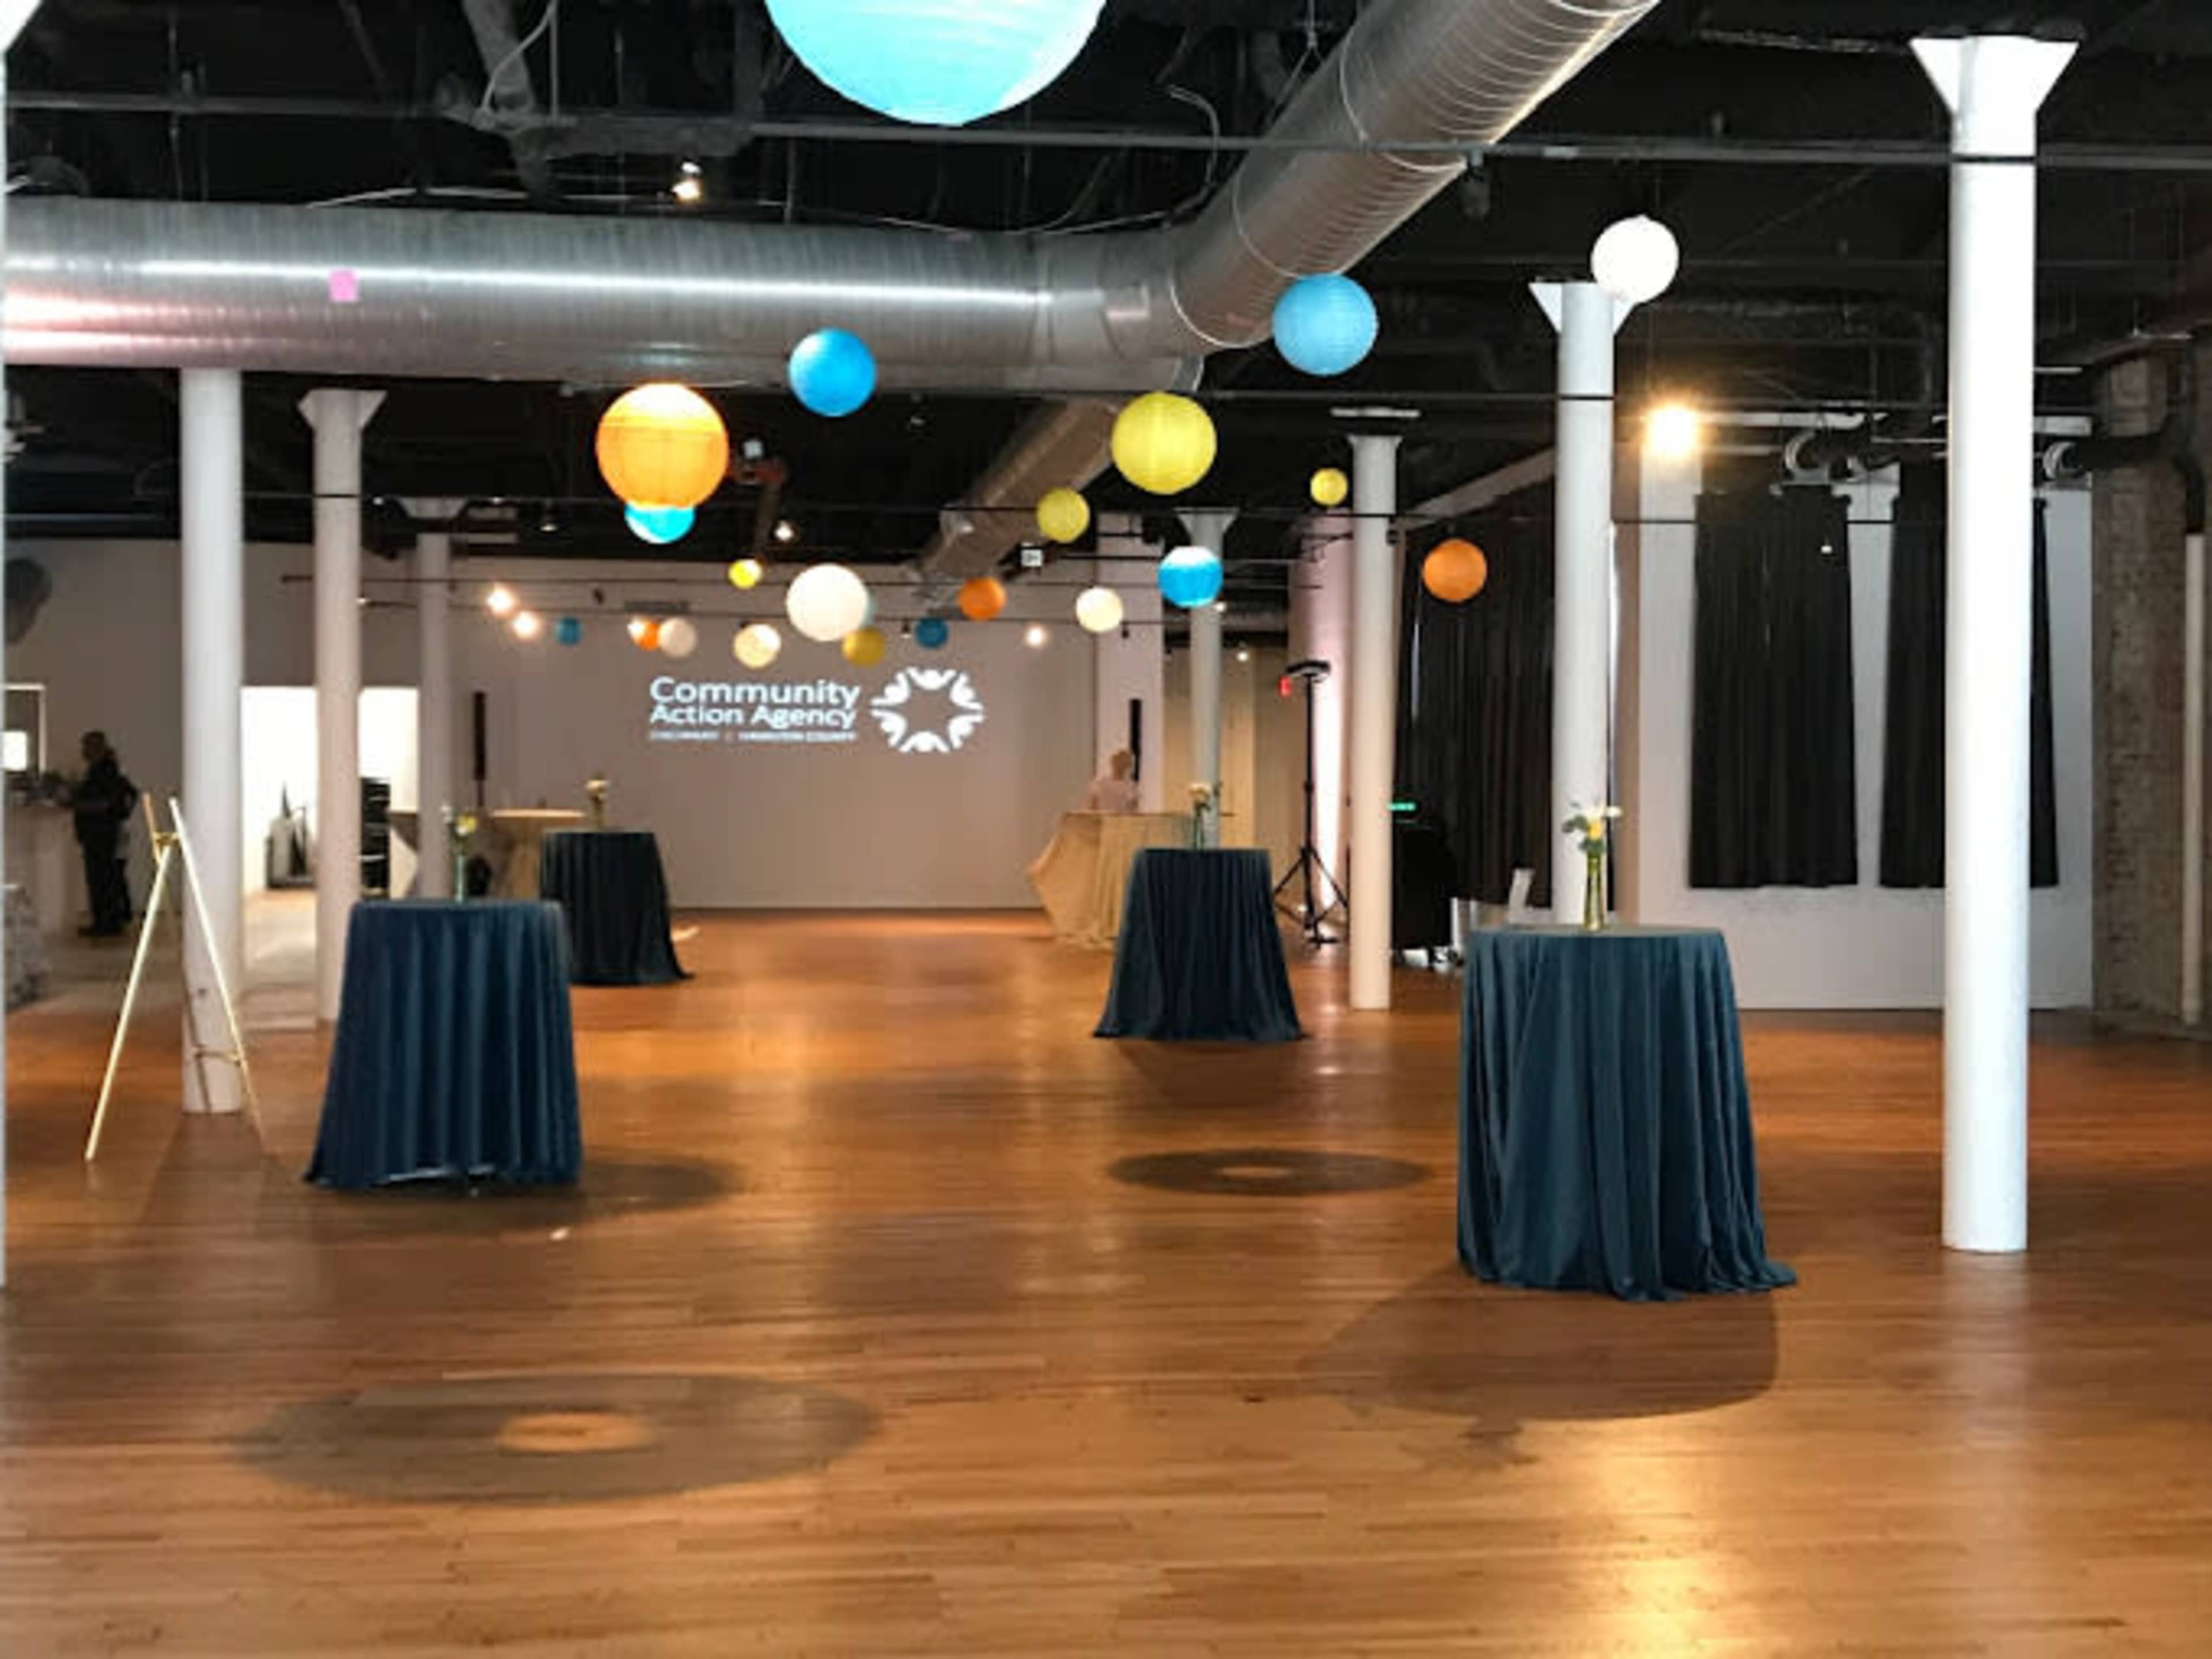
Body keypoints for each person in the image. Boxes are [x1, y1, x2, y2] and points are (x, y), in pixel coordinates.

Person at [71, 731, 138, 938]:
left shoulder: (105, 771)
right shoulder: (106, 769)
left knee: (103, 879)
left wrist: (80, 806)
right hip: (105, 832)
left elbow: (109, 802)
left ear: (96, 748)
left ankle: (107, 923)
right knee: (111, 877)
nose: (83, 751)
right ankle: (112, 919)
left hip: (101, 833)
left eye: (86, 747)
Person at [1085, 748, 1141, 814]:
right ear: (1113, 762)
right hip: (1102, 821)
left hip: (1122, 822)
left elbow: (1133, 810)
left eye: (1125, 763)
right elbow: (1091, 808)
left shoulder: (1131, 787)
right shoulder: (1099, 784)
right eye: (1120, 762)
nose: (1121, 766)